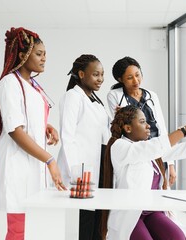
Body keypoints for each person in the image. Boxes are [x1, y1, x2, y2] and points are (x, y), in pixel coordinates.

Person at [101, 105, 186, 240]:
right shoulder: (120, 146)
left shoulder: (151, 151)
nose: (148, 126)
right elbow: (153, 147)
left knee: (178, 237)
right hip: (130, 214)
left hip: (151, 211)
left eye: (147, 122)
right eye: (142, 122)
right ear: (128, 128)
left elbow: (182, 150)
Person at [0, 27, 67, 240]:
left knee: (29, 225)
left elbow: (26, 118)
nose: (44, 59)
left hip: (30, 161)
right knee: (17, 228)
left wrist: (45, 126)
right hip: (16, 162)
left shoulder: (31, 85)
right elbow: (15, 130)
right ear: (23, 55)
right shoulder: (9, 83)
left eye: (45, 54)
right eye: (39, 54)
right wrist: (50, 159)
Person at [57, 54, 110, 240]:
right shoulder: (73, 97)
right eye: (96, 74)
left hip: (97, 169)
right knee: (83, 225)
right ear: (81, 74)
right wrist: (76, 175)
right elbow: (67, 136)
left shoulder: (94, 100)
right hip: (81, 173)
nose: (101, 79)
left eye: (102, 74)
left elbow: (104, 133)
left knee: (96, 223)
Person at [107, 56, 178, 187]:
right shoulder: (115, 95)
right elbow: (119, 124)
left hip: (158, 149)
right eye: (129, 78)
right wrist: (121, 113)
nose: (136, 80)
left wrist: (171, 163)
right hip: (139, 152)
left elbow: (161, 127)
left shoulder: (152, 95)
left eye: (137, 75)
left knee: (161, 193)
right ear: (120, 79)